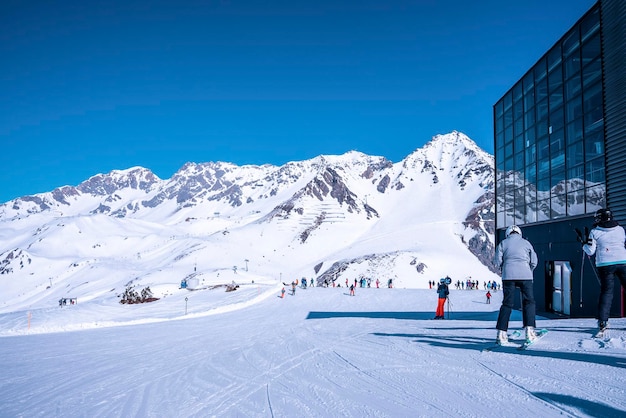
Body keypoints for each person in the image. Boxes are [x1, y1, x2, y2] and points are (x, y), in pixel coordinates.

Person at [582, 208, 626, 336]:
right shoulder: (620, 229)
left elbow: (590, 251)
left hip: (605, 264)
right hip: (623, 261)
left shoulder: (595, 231)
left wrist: (583, 245)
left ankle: (603, 321)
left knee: (607, 292)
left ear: (600, 218)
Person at [494, 225, 538, 345]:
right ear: (519, 233)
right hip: (526, 275)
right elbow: (534, 261)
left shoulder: (503, 243)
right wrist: (529, 270)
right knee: (529, 302)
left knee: (507, 303)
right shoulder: (526, 243)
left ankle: (501, 333)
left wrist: (504, 268)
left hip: (508, 276)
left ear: (508, 234)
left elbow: (497, 261)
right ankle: (529, 330)